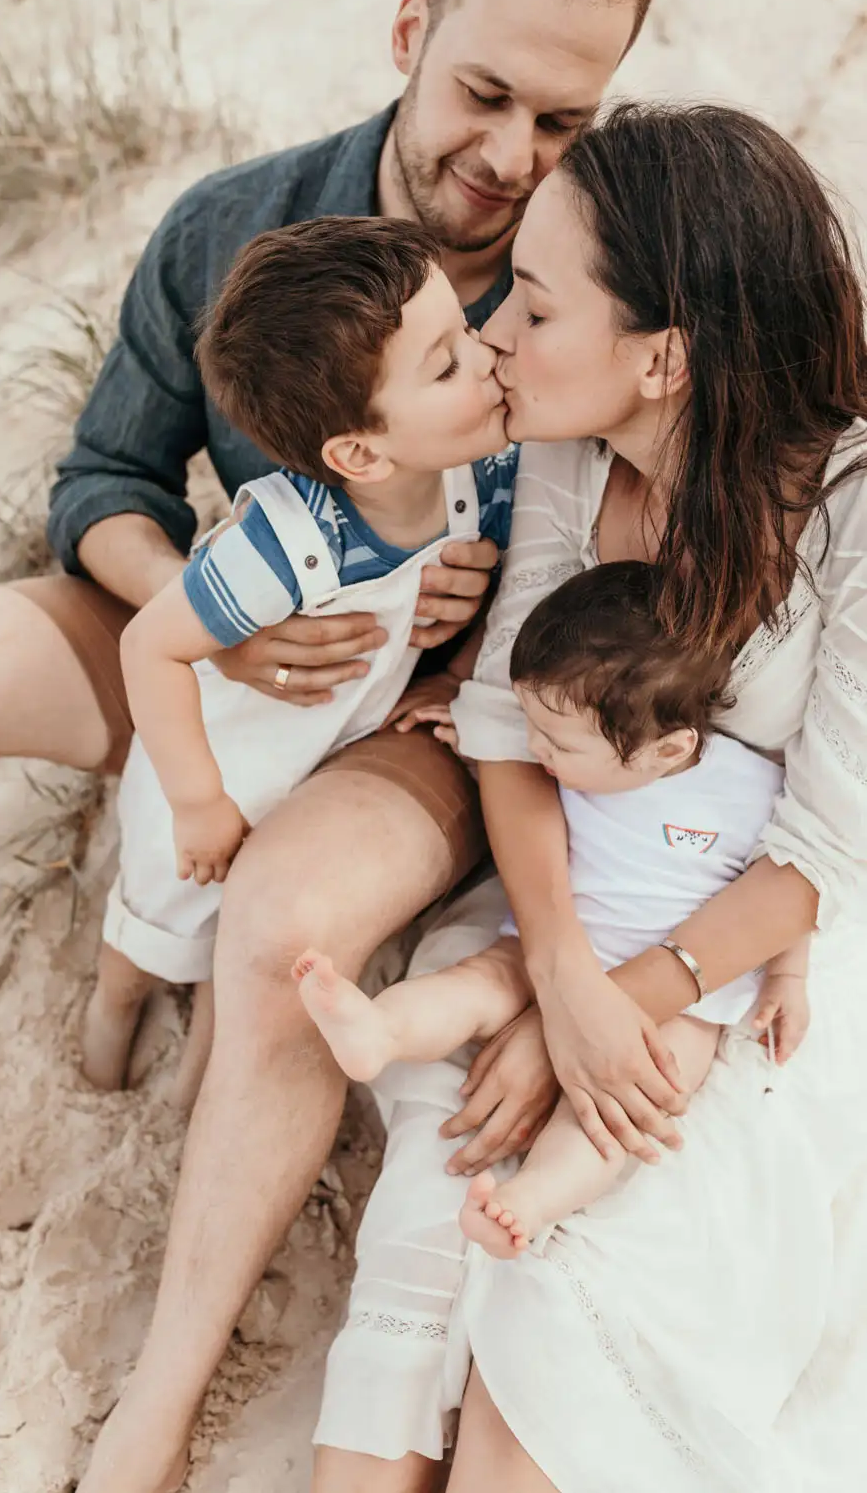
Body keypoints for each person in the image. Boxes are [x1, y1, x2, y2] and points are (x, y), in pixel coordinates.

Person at [0, 0, 652, 1491]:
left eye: (563, 123)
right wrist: (212, 617)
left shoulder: (589, 279)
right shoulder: (238, 224)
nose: (510, 156)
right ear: (410, 27)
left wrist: (462, 659)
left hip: (431, 721)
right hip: (225, 634)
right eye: (484, 94)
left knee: (284, 922)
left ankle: (156, 1410)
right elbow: (104, 477)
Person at [311, 102, 867, 1493]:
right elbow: (506, 722)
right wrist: (559, 972)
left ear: (664, 356)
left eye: (536, 308)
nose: (495, 332)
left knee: (555, 1354)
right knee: (439, 1206)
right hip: (579, 893)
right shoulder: (574, 444)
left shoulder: (850, 508)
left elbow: (822, 853)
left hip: (767, 969)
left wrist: (619, 1010)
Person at [83, 214, 516, 1089]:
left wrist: (472, 629)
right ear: (359, 451)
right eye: (447, 364)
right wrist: (199, 801)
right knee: (152, 929)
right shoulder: (286, 543)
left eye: (467, 332)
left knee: (234, 957)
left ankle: (188, 1100)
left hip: (318, 764)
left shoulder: (482, 474)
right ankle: (106, 1028)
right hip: (224, 762)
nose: (486, 356)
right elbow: (150, 647)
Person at [296, 560, 810, 1257]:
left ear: (669, 750)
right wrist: (468, 736)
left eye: (555, 741)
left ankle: (531, 1201)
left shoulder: (751, 790)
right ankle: (380, 1030)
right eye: (532, 726)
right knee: (478, 982)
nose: (535, 749)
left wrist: (787, 980)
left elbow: (787, 888)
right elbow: (516, 766)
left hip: (681, 999)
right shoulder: (581, 758)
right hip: (550, 942)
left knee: (632, 1101)